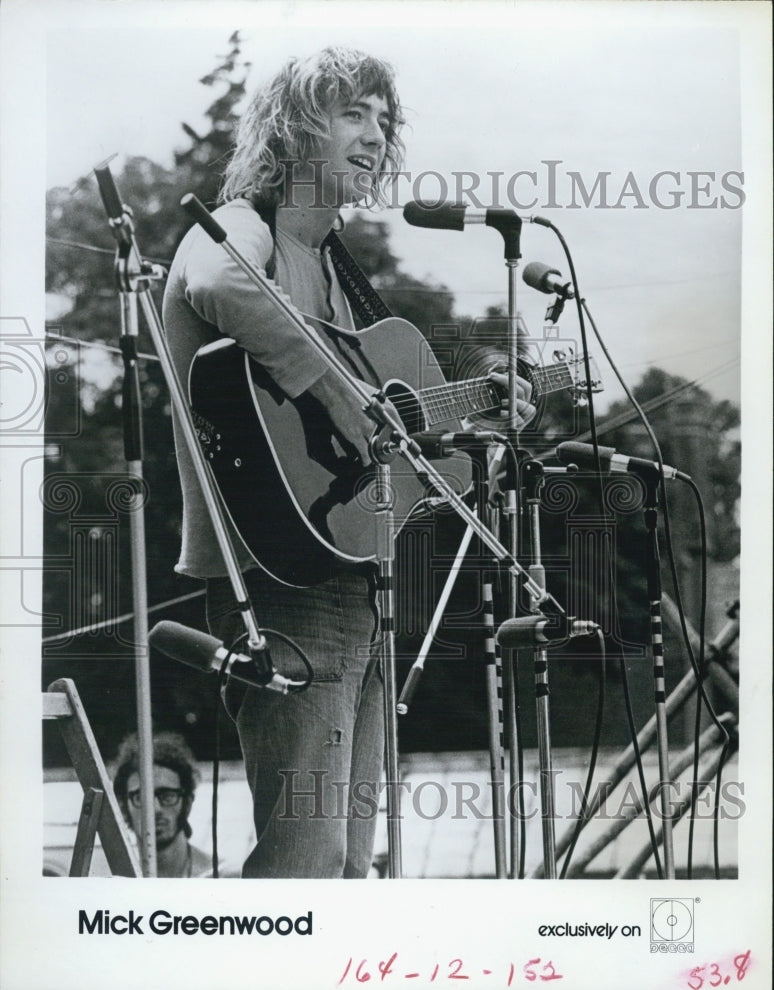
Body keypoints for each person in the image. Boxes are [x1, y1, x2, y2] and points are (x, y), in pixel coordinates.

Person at [162, 46, 535, 878]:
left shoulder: (345, 276)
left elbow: (420, 467)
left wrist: (488, 425)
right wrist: (337, 393)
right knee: (307, 855)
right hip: (278, 579)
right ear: (295, 129)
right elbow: (220, 282)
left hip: (355, 574)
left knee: (352, 863)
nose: (376, 133)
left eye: (383, 118)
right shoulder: (235, 228)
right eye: (352, 113)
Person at [112, 731, 213, 877]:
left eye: (167, 796)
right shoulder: (112, 881)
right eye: (140, 797)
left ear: (188, 802)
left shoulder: (222, 878)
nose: (155, 809)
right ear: (122, 806)